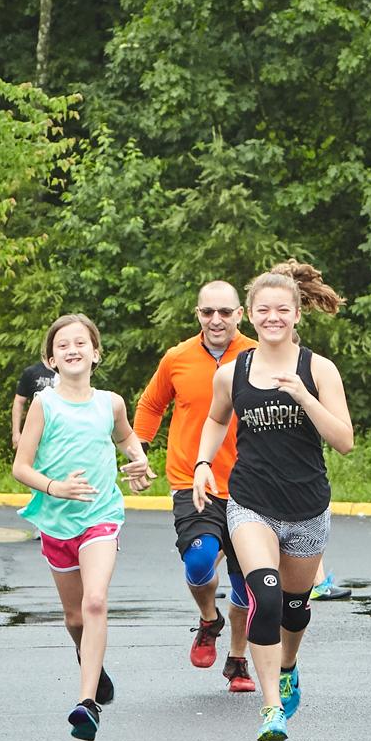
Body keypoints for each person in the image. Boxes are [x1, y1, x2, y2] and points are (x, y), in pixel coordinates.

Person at [190, 263, 354, 741]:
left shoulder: (318, 369)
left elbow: (344, 441)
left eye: (282, 309)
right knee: (265, 596)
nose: (273, 317)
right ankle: (271, 708)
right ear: (251, 315)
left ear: (297, 314)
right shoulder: (232, 372)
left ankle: (288, 665)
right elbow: (217, 420)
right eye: (264, 310)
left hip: (307, 507)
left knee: (295, 609)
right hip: (251, 503)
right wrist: (202, 463)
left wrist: (305, 397)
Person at [15, 312, 154, 741]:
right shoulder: (44, 405)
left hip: (101, 515)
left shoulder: (111, 403)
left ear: (96, 353)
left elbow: (126, 437)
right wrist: (55, 487)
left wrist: (139, 460)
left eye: (80, 343)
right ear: (51, 360)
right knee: (75, 617)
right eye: (62, 345)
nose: (72, 350)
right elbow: (21, 467)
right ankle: (89, 656)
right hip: (56, 522)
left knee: (95, 602)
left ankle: (86, 702)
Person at [134, 282, 256, 692]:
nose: (216, 320)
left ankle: (237, 661)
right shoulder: (177, 357)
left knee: (246, 583)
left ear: (239, 314)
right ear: (197, 314)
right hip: (192, 478)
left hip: (250, 482)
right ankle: (209, 619)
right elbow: (151, 405)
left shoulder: (257, 355)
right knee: (200, 561)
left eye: (225, 312)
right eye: (207, 312)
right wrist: (140, 451)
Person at [10, 356, 56, 448]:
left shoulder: (67, 373)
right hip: (36, 429)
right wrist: (16, 432)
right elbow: (19, 402)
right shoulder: (31, 372)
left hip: (60, 429)